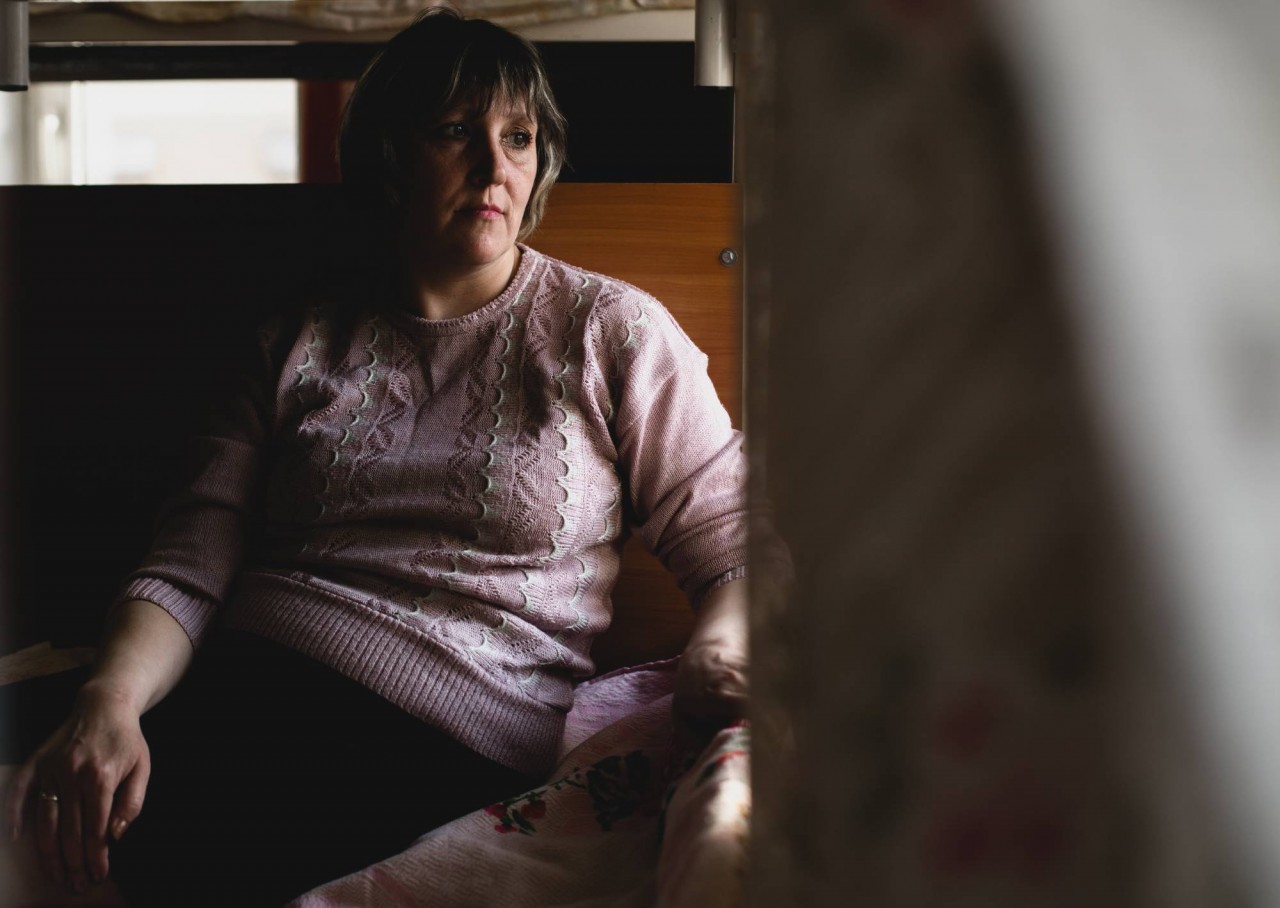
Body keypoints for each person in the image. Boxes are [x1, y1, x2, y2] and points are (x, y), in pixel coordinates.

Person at [4, 9, 751, 905]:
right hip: (245, 682)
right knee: (36, 789)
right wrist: (110, 700)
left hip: (443, 734)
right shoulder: (297, 340)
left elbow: (735, 547)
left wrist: (717, 654)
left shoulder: (612, 331)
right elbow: (188, 566)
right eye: (455, 131)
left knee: (59, 851)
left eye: (518, 137)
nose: (495, 166)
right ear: (391, 157)